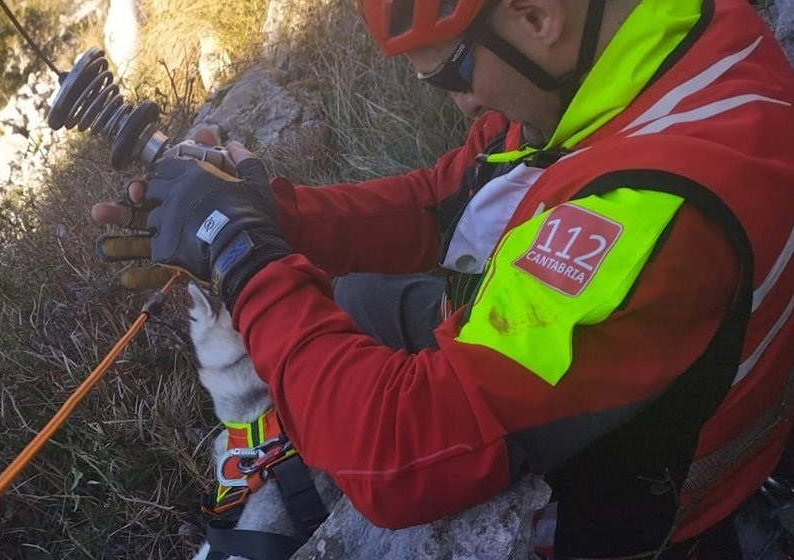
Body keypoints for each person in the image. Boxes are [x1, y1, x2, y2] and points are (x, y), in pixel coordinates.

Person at [92, 0, 794, 557]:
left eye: (449, 75)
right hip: (652, 373)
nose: (461, 105)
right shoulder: (640, 47)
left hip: (646, 503)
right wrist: (274, 215)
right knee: (358, 294)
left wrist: (243, 257)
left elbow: (397, 450)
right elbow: (453, 197)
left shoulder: (655, 220)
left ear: (533, 16)